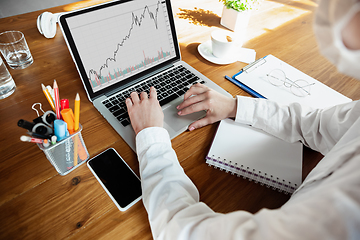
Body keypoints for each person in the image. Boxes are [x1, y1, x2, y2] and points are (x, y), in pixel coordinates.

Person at [125, 0, 360, 239]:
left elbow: (183, 232)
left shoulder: (344, 215)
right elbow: (315, 124)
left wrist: (151, 136)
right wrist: (233, 105)